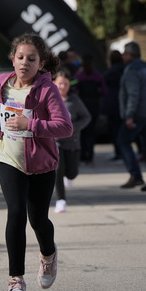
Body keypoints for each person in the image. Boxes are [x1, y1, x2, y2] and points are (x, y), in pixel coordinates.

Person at [0, 33, 72, 291]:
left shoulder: (47, 90)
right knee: (16, 212)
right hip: (9, 159)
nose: (24, 63)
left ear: (41, 64)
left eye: (31, 59)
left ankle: (48, 255)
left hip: (41, 164)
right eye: (20, 58)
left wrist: (31, 124)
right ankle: (15, 279)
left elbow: (65, 127)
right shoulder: (3, 84)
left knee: (38, 220)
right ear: (12, 59)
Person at [117, 41, 146, 191]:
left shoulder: (132, 70)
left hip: (138, 113)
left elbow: (133, 94)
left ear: (130, 55)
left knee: (123, 141)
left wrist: (129, 115)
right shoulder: (145, 68)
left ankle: (136, 175)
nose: (123, 56)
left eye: (124, 54)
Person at [53, 70, 91, 213]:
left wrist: (73, 128)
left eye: (66, 84)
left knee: (72, 173)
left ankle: (69, 177)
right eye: (60, 83)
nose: (63, 87)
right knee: (58, 170)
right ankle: (61, 200)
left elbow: (86, 117)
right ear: (54, 83)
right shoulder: (49, 99)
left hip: (72, 142)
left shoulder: (74, 101)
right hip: (54, 142)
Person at [74, 54, 107, 164]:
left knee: (82, 130)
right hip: (94, 105)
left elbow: (74, 87)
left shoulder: (79, 76)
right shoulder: (98, 76)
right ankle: (90, 155)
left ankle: (82, 154)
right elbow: (104, 91)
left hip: (82, 105)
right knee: (91, 132)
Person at [102, 50, 125, 160]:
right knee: (122, 129)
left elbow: (103, 85)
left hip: (112, 104)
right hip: (123, 103)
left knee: (114, 129)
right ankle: (122, 152)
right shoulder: (125, 69)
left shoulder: (110, 72)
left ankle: (118, 152)